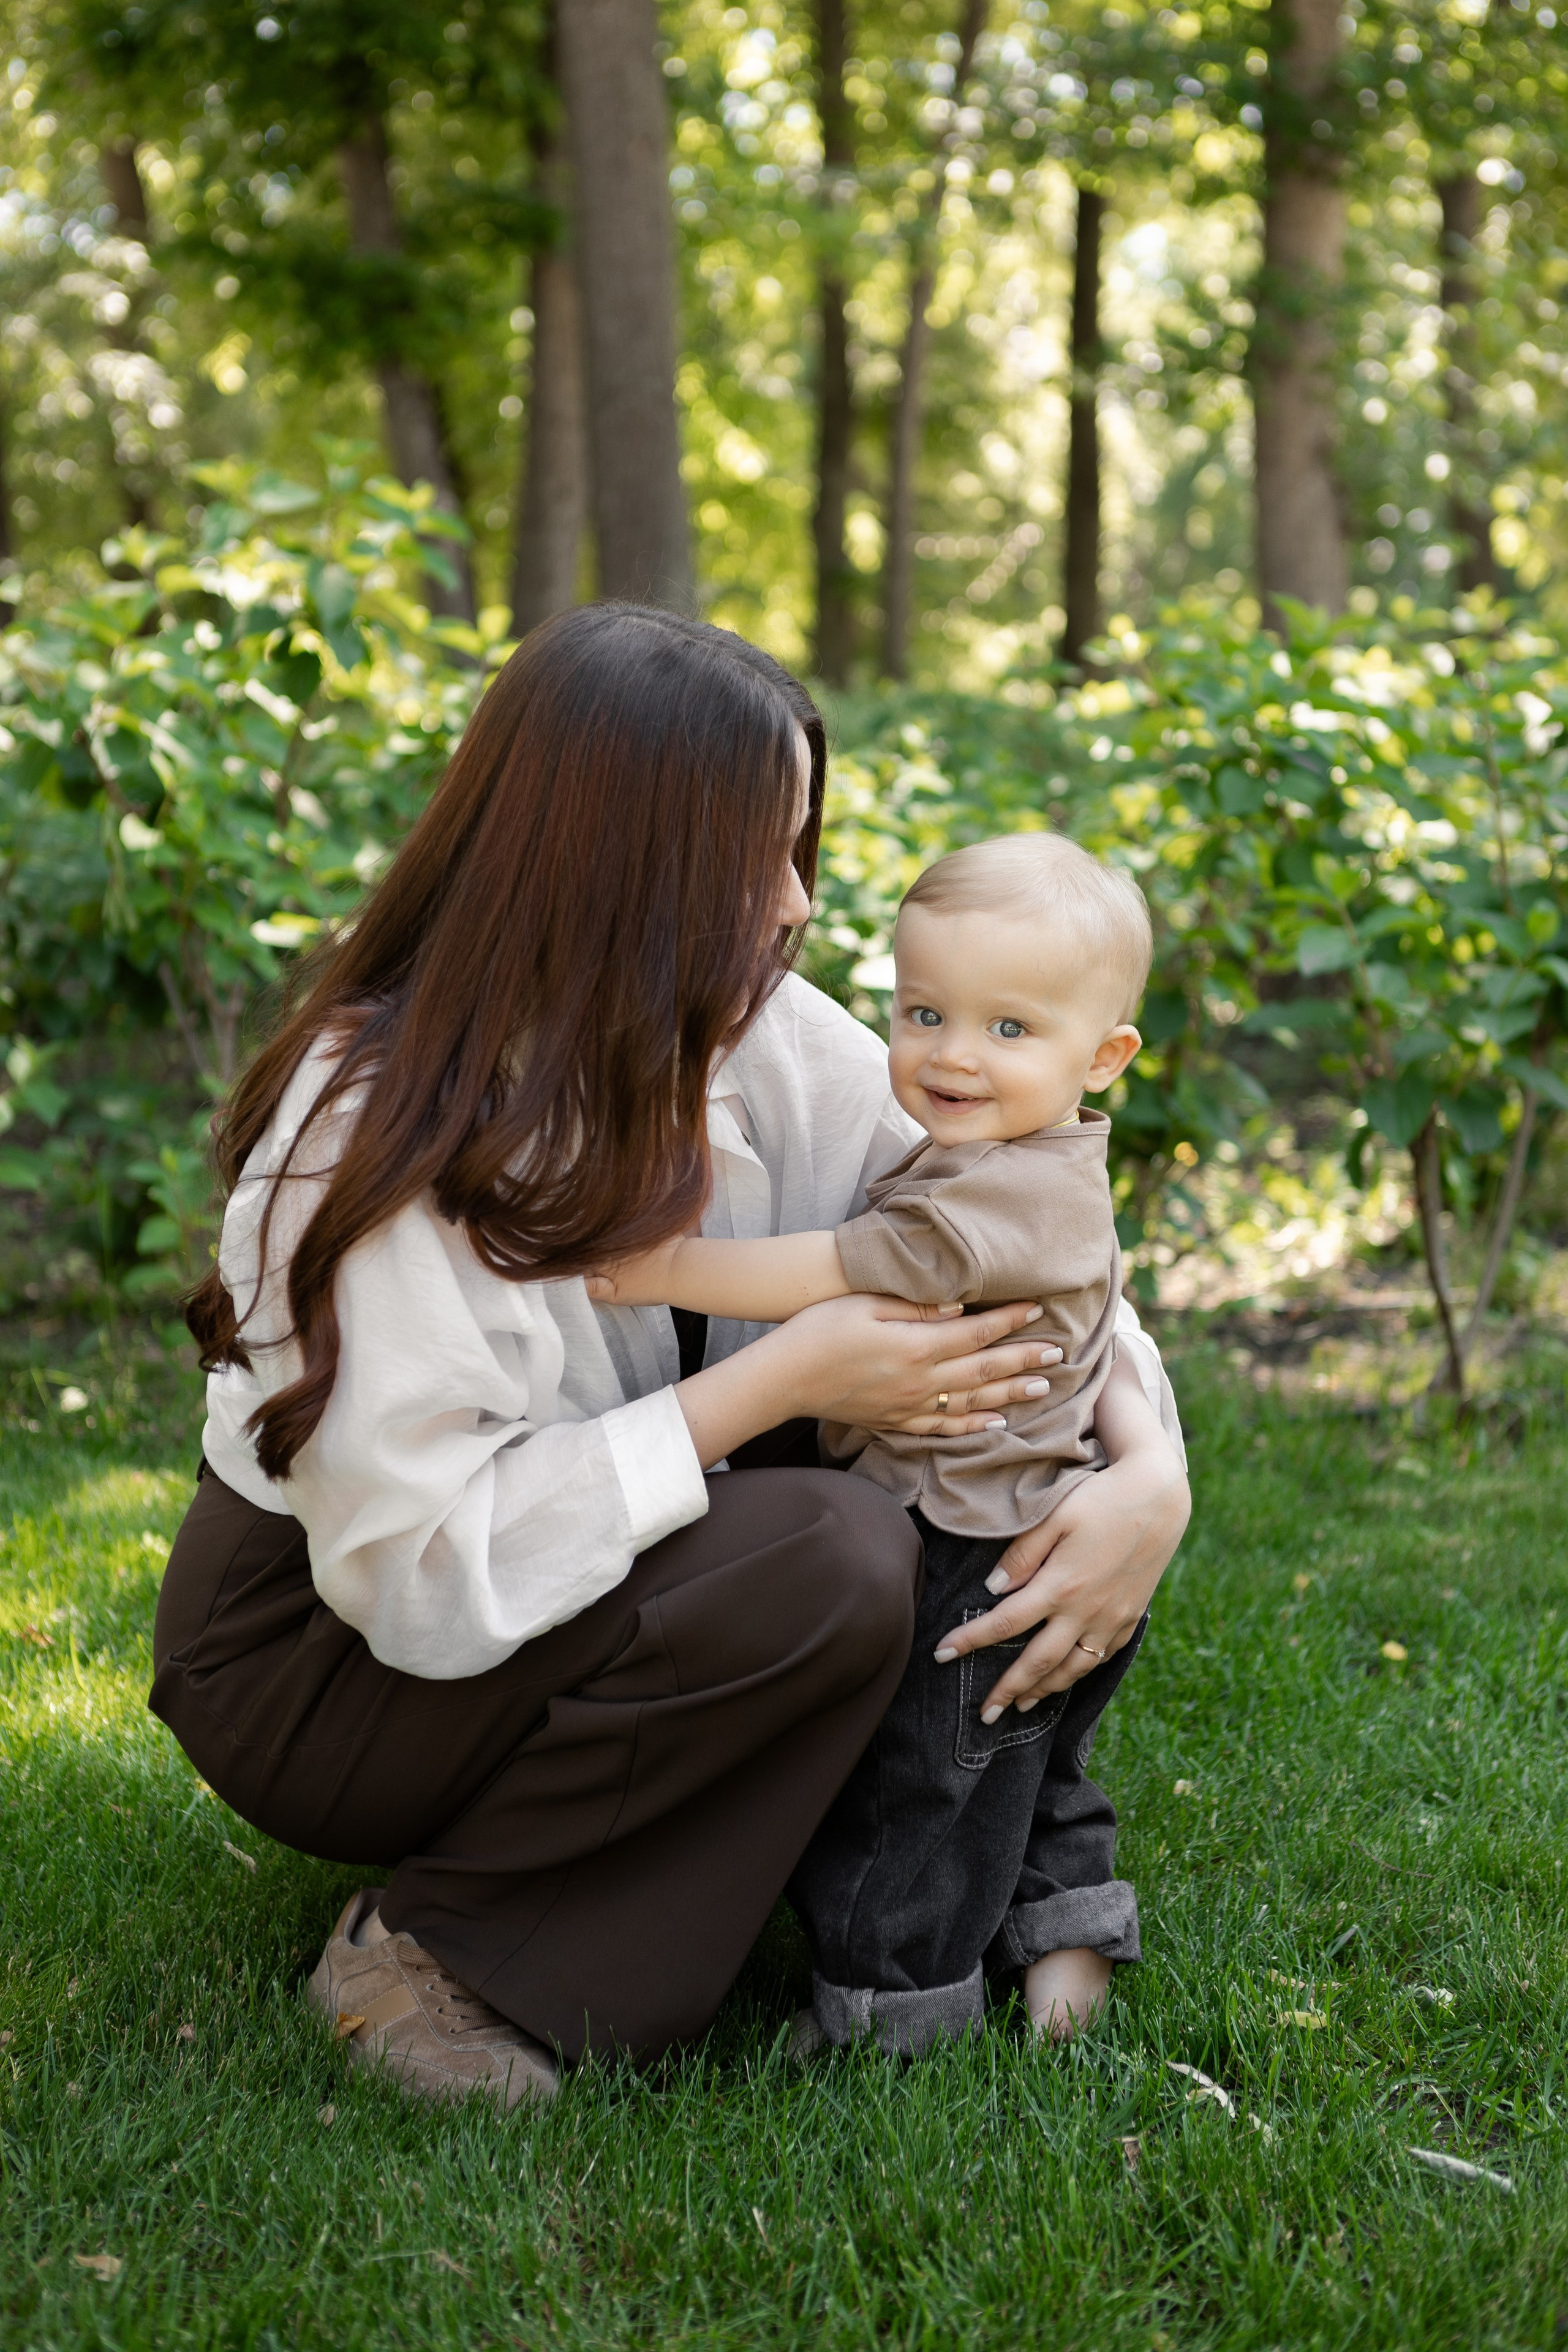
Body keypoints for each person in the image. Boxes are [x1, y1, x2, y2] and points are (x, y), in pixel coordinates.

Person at [148, 604, 1190, 2113]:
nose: (792, 900)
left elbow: (1024, 1235)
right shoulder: (375, 1116)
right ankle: (434, 1951)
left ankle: (808, 1866)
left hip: (561, 1584)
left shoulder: (756, 1033)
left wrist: (1147, 1478)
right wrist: (781, 1381)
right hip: (325, 1649)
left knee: (910, 1504)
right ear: (615, 851)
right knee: (830, 1549)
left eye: (796, 845)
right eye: (751, 852)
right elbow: (415, 1572)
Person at [589, 831, 1180, 2057]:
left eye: (1007, 1029)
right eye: (923, 1012)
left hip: (970, 1549)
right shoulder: (1036, 1158)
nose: (953, 1054)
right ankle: (1064, 1960)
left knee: (923, 1787)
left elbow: (821, 1269)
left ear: (1103, 1053)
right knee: (1024, 1764)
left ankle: (890, 2018)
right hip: (1043, 1524)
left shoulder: (988, 1199)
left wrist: (648, 1262)